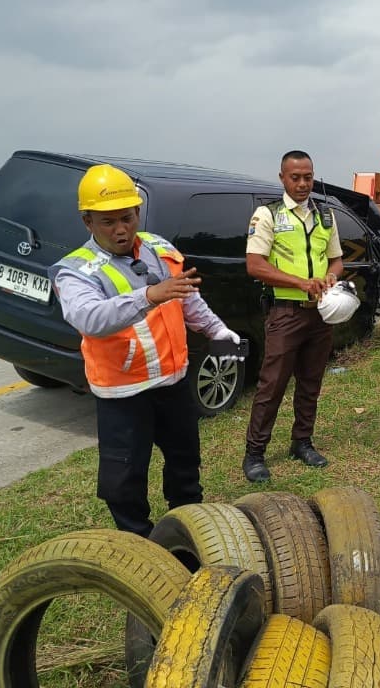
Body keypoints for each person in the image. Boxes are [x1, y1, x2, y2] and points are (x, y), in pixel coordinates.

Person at [53, 163, 239, 537]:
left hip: (172, 385)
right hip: (123, 394)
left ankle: (188, 533)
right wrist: (149, 296)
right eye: (108, 222)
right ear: (87, 222)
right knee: (124, 480)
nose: (121, 229)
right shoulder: (76, 271)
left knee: (186, 465)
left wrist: (219, 330)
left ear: (138, 212)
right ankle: (137, 546)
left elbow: (188, 301)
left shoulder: (160, 248)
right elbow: (89, 318)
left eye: (127, 217)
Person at [242, 150, 344, 482]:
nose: (302, 184)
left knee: (311, 382)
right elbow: (255, 265)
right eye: (295, 177)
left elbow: (336, 260)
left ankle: (302, 442)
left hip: (320, 314)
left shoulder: (326, 216)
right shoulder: (267, 215)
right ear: (283, 178)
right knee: (272, 384)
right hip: (286, 313)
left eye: (308, 177)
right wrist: (300, 282)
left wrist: (331, 277)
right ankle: (255, 454)